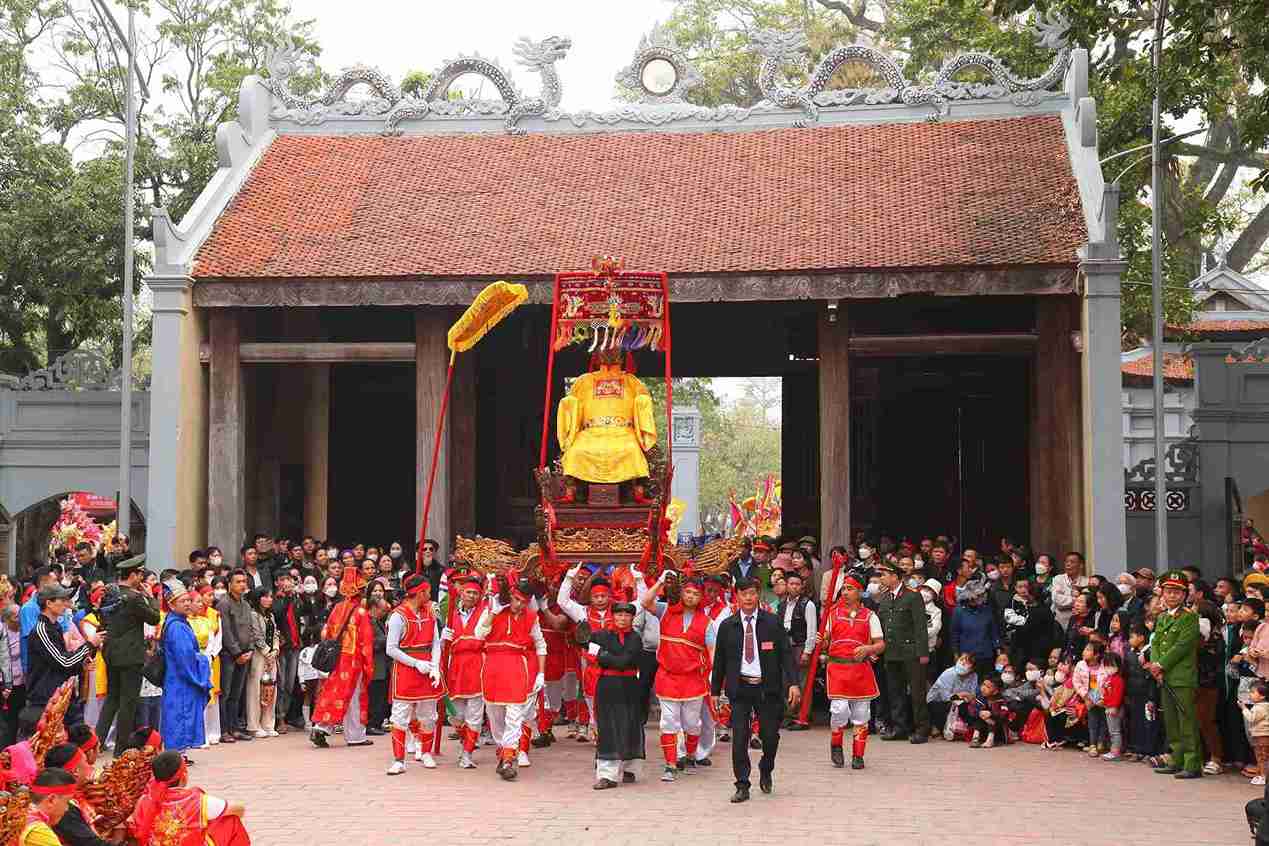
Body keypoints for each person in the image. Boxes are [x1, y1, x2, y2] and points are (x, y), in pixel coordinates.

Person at [710, 577, 800, 804]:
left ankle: (766, 767)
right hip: (739, 688)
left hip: (767, 688)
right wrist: (714, 691)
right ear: (736, 596)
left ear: (758, 594)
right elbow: (719, 660)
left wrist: (793, 683)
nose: (748, 598)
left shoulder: (772, 622)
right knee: (739, 737)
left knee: (770, 736)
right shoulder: (727, 626)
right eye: (743, 594)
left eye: (752, 593)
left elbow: (786, 655)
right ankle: (742, 784)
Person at [640, 571, 716, 782]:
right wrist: (661, 581)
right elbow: (646, 601)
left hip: (694, 680)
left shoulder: (707, 622)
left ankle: (690, 756)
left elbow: (712, 653)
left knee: (692, 724)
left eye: (695, 594)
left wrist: (712, 679)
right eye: (687, 592)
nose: (691, 596)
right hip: (667, 677)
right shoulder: (665, 611)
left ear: (701, 598)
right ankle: (670, 764)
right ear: (681, 593)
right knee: (668, 722)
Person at [475, 578, 546, 781]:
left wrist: (540, 673)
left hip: (517, 668)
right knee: (495, 716)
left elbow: (540, 645)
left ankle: (508, 759)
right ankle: (503, 750)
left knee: (514, 716)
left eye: (523, 602)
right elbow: (479, 634)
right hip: (493, 667)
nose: (518, 605)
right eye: (515, 600)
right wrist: (493, 613)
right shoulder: (493, 611)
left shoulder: (532, 617)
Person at [816, 573, 884, 769]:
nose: (845, 592)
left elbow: (880, 644)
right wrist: (822, 642)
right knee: (839, 709)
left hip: (860, 670)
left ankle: (858, 755)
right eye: (843, 589)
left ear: (860, 592)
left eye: (850, 589)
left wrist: (868, 649)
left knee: (862, 713)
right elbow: (826, 642)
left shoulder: (870, 616)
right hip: (837, 667)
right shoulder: (832, 614)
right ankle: (836, 744)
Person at [385, 575, 444, 775]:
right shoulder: (397, 616)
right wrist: (415, 663)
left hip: (428, 668)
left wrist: (435, 666)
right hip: (406, 669)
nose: (430, 595)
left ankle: (426, 752)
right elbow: (391, 649)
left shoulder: (431, 612)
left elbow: (436, 642)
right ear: (420, 593)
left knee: (428, 715)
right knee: (400, 716)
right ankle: (399, 760)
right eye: (427, 592)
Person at [310, 567, 374, 749]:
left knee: (334, 693)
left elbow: (327, 632)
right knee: (353, 697)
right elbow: (366, 642)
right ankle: (355, 736)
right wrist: (369, 665)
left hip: (337, 657)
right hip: (353, 660)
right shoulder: (361, 612)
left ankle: (320, 726)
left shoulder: (337, 608)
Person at [127, 750, 249, 845]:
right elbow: (239, 809)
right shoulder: (197, 801)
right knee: (231, 820)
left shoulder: (144, 800)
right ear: (184, 776)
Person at [1149, 570, 1202, 779]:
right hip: (1164, 675)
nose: (1172, 596)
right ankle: (1176, 759)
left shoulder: (1189, 618)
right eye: (1168, 591)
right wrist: (1155, 664)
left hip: (1181, 676)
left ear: (1184, 595)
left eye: (1177, 592)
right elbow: (1155, 642)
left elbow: (1182, 646)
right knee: (1171, 722)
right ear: (1162, 593)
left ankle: (1192, 762)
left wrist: (1160, 664)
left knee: (1186, 720)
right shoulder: (1162, 617)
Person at [557, 566, 617, 742]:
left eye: (603, 596)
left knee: (613, 697)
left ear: (609, 596)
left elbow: (642, 604)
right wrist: (568, 577)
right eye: (596, 597)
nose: (599, 600)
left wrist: (638, 581)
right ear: (590, 598)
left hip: (614, 662)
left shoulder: (619, 612)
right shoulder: (583, 613)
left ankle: (611, 731)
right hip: (590, 663)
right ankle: (597, 729)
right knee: (591, 696)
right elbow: (563, 602)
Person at [874, 560, 929, 744]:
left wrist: (923, 653)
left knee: (916, 692)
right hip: (891, 651)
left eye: (884, 575)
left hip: (911, 650)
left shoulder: (912, 596)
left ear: (895, 576)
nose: (882, 578)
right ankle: (900, 728)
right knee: (895, 692)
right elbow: (882, 626)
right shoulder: (885, 598)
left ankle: (921, 729)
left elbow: (920, 627)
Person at [158, 580, 211, 759]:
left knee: (178, 713)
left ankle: (179, 753)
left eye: (188, 600)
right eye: (182, 602)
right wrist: (202, 660)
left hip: (177, 678)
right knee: (179, 714)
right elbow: (185, 657)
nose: (187, 604)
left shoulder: (176, 622)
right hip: (180, 679)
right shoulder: (177, 627)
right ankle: (176, 754)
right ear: (171, 605)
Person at [441, 574, 488, 769]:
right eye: (468, 592)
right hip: (456, 669)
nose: (472, 596)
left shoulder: (485, 612)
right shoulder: (451, 614)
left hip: (477, 668)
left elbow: (482, 639)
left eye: (476, 593)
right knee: (455, 715)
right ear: (461, 593)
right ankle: (464, 742)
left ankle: (467, 753)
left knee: (475, 715)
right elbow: (445, 646)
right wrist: (443, 638)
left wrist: (462, 642)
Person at [27, 586, 90, 724]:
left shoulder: (55, 627)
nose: (66, 604)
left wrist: (81, 665)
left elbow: (64, 662)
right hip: (46, 700)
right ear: (49, 603)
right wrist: (89, 645)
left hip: (61, 695)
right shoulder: (41, 630)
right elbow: (63, 662)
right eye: (61, 600)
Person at [216, 571, 255, 744]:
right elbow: (226, 632)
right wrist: (237, 653)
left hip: (245, 654)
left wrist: (250, 650)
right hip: (229, 655)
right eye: (238, 582)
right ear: (230, 584)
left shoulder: (246, 604)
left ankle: (235, 728)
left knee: (236, 695)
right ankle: (224, 730)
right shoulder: (223, 604)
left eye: (244, 581)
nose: (242, 585)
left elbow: (250, 629)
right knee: (225, 694)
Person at [244, 589, 278, 739]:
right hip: (259, 656)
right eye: (265, 596)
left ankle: (268, 724)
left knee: (271, 690)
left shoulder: (271, 615)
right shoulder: (253, 615)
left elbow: (276, 633)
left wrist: (275, 650)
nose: (269, 599)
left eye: (270, 596)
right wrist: (267, 652)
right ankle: (254, 725)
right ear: (258, 598)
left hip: (272, 655)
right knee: (256, 690)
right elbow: (256, 636)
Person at [21, 767, 78, 846]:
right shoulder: (38, 832)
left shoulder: (23, 815)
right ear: (51, 800)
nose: (67, 809)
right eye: (67, 802)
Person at [0, 603, 26, 748]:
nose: (20, 619)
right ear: (7, 619)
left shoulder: (23, 630)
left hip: (23, 682)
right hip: (8, 686)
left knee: (21, 718)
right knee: (9, 721)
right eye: (17, 617)